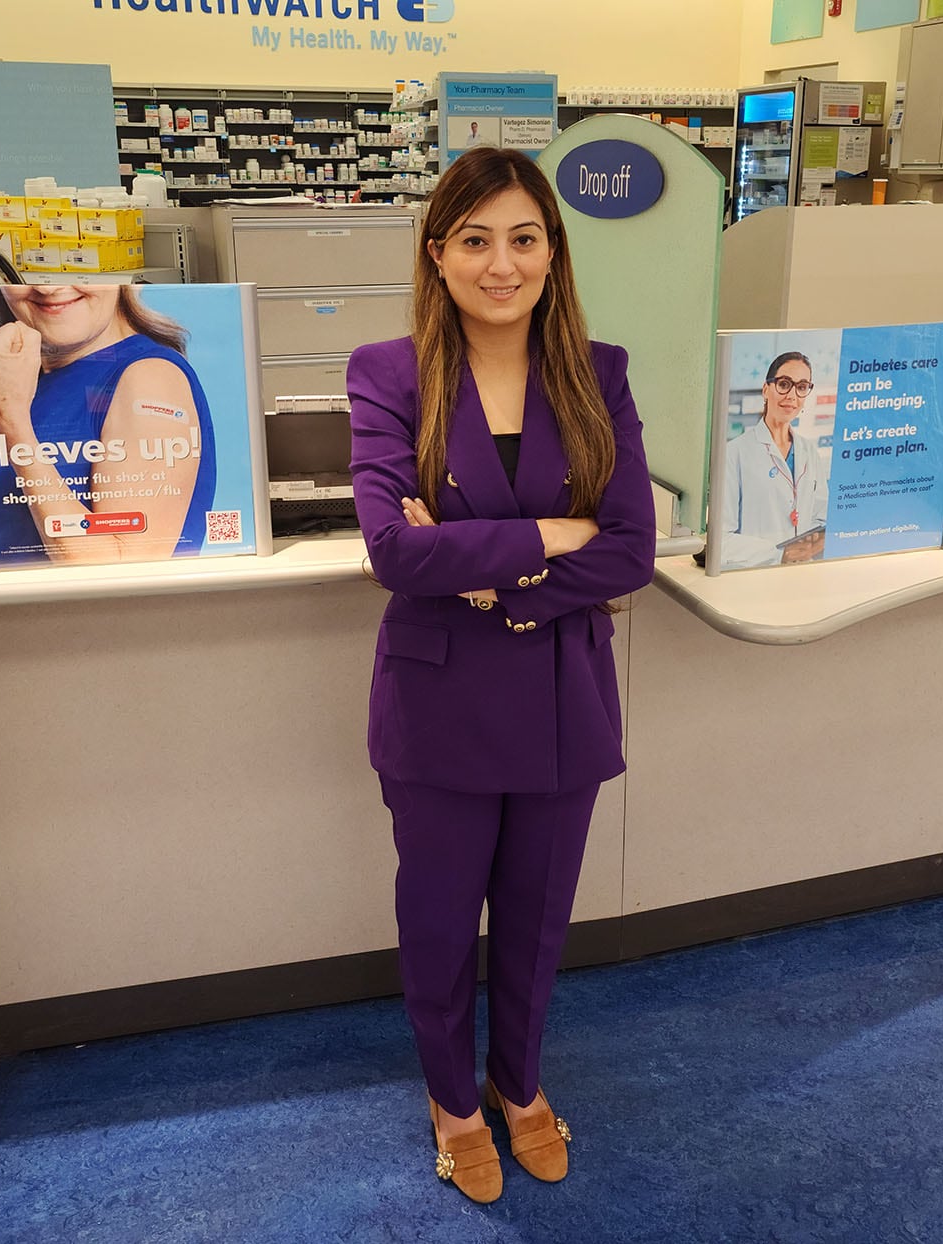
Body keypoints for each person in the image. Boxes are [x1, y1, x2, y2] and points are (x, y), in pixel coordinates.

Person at [347, 146, 656, 1205]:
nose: (501, 263)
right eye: (474, 240)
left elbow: (628, 550)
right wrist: (547, 534)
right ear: (437, 256)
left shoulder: (596, 372)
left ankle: (520, 1084)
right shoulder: (388, 375)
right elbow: (392, 551)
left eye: (523, 238)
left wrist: (485, 572)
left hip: (562, 697)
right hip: (436, 703)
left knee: (534, 918)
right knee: (438, 921)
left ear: (551, 252)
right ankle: (455, 1102)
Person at [0, 283, 218, 567]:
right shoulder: (32, 387)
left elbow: (121, 569)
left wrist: (10, 420)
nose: (48, 288)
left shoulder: (148, 376)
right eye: (24, 272)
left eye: (75, 267)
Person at [718, 351, 828, 568]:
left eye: (802, 386)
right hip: (751, 576)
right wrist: (779, 553)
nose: (792, 395)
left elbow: (821, 518)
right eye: (784, 384)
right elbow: (720, 540)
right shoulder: (735, 453)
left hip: (801, 573)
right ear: (766, 389)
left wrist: (814, 543)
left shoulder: (809, 451)